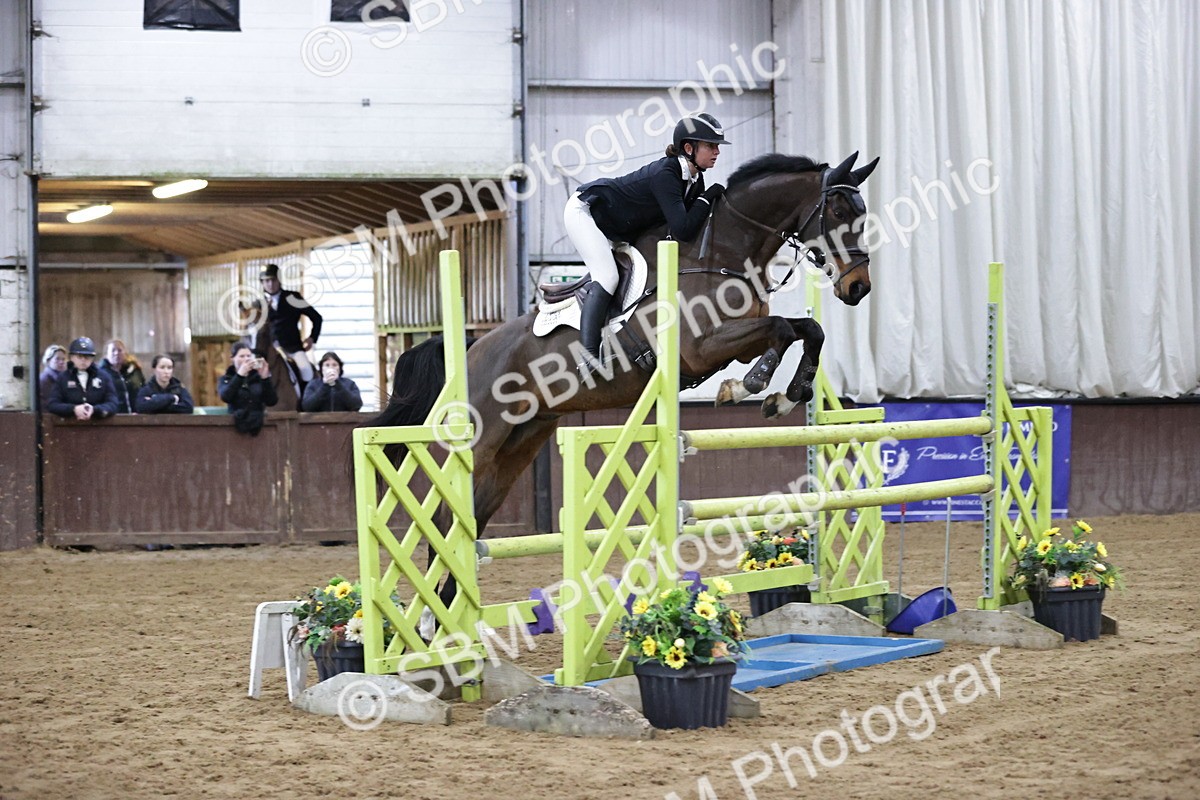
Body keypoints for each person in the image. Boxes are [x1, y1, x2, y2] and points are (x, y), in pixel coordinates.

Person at [565, 112, 730, 372]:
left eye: (717, 146)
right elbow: (684, 228)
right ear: (689, 148)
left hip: (620, 226)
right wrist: (708, 197)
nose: (717, 152)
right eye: (711, 145)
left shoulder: (695, 180)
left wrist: (705, 197)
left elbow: (683, 229)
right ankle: (587, 357)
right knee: (607, 277)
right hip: (585, 212)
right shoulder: (667, 174)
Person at [259, 263, 322, 386]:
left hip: (292, 349)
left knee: (307, 371)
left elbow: (316, 317)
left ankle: (306, 402)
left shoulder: (292, 297)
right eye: (266, 281)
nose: (270, 284)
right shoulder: (258, 304)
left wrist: (312, 338)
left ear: (279, 280)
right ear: (262, 282)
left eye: (273, 280)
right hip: (268, 351)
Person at [45, 337, 119, 420]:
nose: (83, 360)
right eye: (79, 356)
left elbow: (113, 403)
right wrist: (73, 409)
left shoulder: (104, 377)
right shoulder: (63, 378)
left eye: (87, 356)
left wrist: (95, 409)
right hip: (69, 426)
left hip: (98, 425)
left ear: (92, 358)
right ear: (72, 357)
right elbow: (52, 404)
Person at [218, 342, 278, 436]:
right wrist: (239, 376)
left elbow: (272, 401)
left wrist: (265, 378)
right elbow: (226, 397)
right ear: (233, 359)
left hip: (259, 427)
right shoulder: (226, 379)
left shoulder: (257, 378)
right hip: (234, 427)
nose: (246, 359)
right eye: (241, 356)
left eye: (248, 356)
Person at [98, 339, 146, 414]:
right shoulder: (100, 374)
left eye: (120, 350)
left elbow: (143, 390)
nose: (116, 353)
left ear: (125, 353)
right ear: (106, 355)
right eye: (113, 350)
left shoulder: (135, 371)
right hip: (113, 417)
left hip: (137, 415)